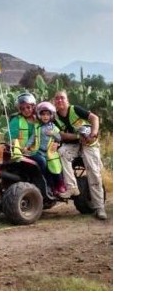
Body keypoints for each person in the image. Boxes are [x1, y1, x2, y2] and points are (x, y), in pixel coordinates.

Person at [53, 90, 107, 220]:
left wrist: (93, 133)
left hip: (89, 143)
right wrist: (78, 136)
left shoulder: (75, 110)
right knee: (62, 152)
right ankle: (72, 187)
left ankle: (99, 207)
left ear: (67, 101)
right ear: (54, 102)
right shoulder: (55, 118)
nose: (60, 100)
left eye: (62, 98)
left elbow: (94, 118)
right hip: (75, 144)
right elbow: (61, 135)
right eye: (57, 99)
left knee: (93, 171)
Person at [23, 101, 66, 195]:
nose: (45, 117)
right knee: (43, 163)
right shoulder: (38, 127)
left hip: (50, 152)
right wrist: (26, 146)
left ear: (51, 116)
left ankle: (60, 184)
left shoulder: (54, 128)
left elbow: (59, 138)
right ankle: (48, 185)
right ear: (39, 116)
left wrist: (53, 134)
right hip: (39, 151)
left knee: (56, 166)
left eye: (47, 114)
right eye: (43, 114)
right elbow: (32, 138)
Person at [6, 92, 39, 159]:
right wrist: (20, 148)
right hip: (21, 153)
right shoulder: (16, 120)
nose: (26, 110)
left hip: (37, 151)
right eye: (22, 109)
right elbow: (11, 138)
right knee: (42, 162)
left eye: (28, 107)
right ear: (19, 110)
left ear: (33, 106)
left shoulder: (39, 120)